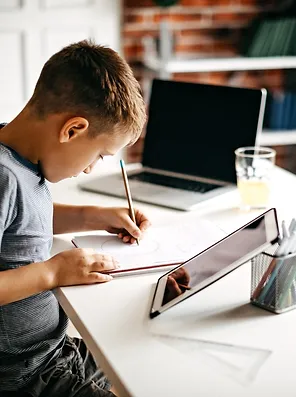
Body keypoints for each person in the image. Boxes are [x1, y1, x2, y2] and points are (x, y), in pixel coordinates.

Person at [0, 39, 150, 397]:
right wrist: (52, 272)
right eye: (99, 154)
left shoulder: (22, 156)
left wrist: (91, 215)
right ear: (73, 130)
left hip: (52, 352)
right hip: (23, 377)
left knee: (140, 367)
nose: (89, 168)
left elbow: (19, 225)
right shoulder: (2, 177)